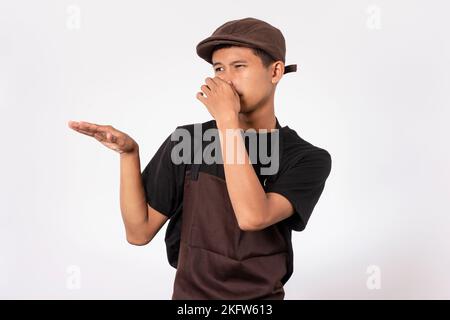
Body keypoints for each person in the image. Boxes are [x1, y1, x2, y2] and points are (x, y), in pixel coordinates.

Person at [68, 17, 332, 300]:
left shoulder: (305, 158)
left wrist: (226, 120)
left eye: (239, 66)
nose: (226, 79)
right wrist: (129, 155)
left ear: (276, 71)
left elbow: (253, 216)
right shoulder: (189, 141)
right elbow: (139, 231)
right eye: (219, 69)